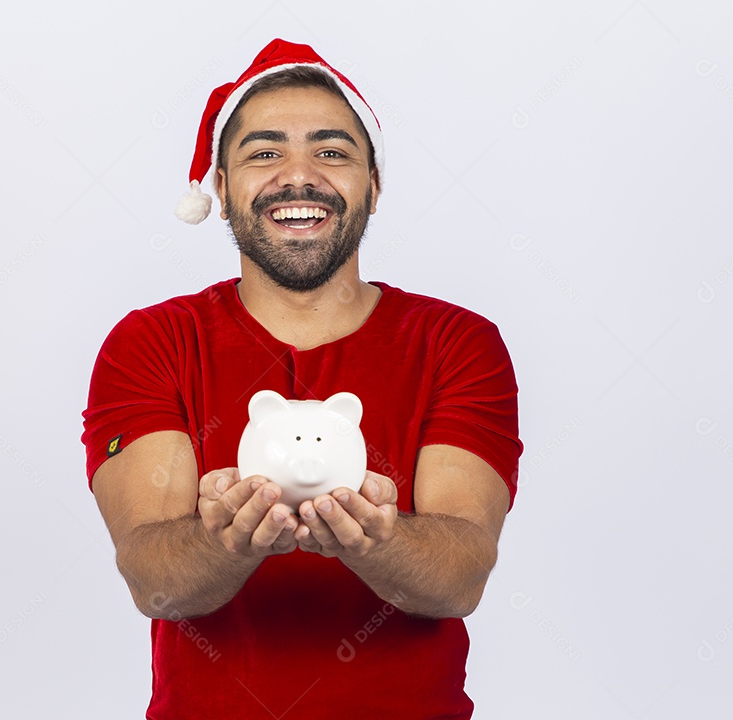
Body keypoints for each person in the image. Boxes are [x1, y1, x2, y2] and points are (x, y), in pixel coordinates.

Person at [81, 38, 523, 720]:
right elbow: (154, 581)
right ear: (221, 191)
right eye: (263, 153)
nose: (298, 176)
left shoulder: (457, 344)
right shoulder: (151, 344)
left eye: (332, 151)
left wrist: (378, 541)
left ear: (372, 187)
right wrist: (225, 540)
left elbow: (459, 577)